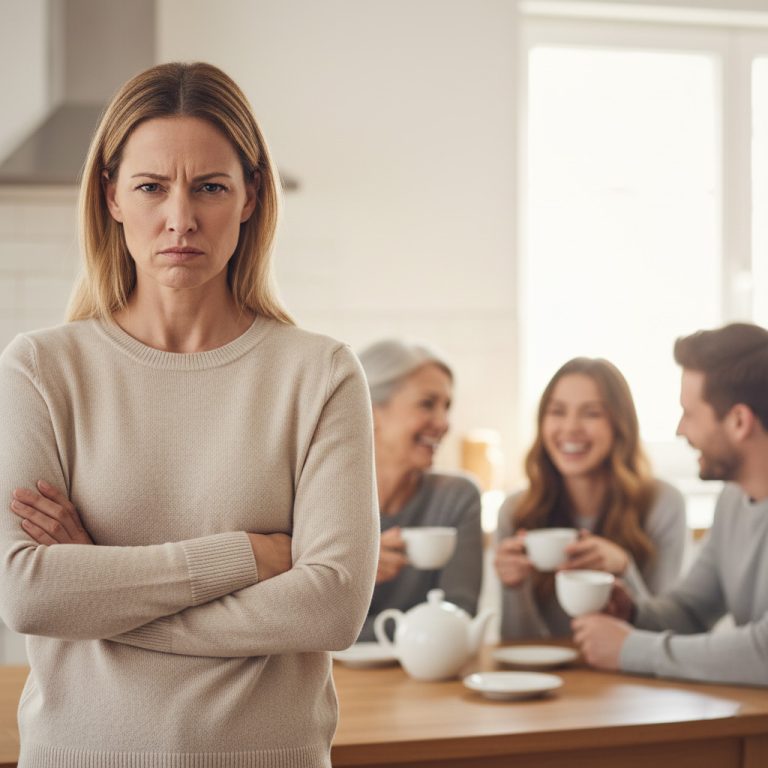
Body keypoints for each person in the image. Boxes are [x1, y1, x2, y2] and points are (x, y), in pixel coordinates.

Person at [0, 62, 379, 767]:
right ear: (111, 195)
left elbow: (331, 607)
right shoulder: (41, 369)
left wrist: (103, 589)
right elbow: (28, 594)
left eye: (209, 186)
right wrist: (246, 557)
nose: (181, 218)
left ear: (249, 197)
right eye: (151, 186)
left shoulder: (319, 374)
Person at [573, 324, 768, 686]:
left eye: (689, 413)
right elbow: (692, 609)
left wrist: (631, 649)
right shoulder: (733, 499)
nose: (680, 429)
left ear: (739, 421)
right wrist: (632, 612)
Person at [495, 357, 687, 639]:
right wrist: (514, 588)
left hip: (631, 676)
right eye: (557, 411)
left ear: (619, 425)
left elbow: (663, 636)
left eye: (591, 413)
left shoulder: (663, 504)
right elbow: (517, 646)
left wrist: (624, 568)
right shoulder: (516, 510)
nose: (571, 427)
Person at [355, 339, 483, 642]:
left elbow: (459, 616)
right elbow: (300, 623)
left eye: (447, 406)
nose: (443, 423)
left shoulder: (456, 498)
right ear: (370, 412)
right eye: (427, 404)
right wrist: (352, 578)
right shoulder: (313, 501)